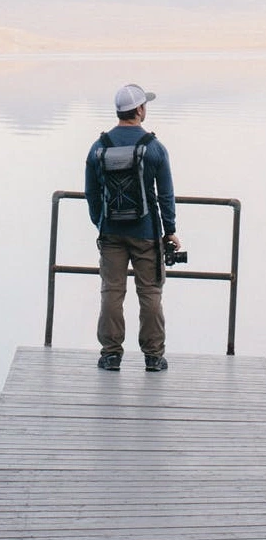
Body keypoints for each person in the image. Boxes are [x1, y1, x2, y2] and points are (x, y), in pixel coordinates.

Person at [85, 83, 181, 372]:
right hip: (146, 233)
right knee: (150, 293)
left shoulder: (99, 147)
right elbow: (165, 194)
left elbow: (91, 193)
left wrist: (101, 221)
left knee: (112, 292)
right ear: (139, 110)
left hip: (111, 233)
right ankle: (153, 356)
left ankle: (111, 354)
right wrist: (170, 230)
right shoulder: (153, 147)